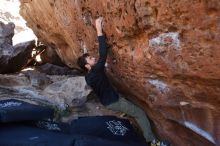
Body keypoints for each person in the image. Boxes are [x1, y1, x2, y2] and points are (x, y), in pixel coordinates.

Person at [77, 17, 155, 143]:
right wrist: (99, 29)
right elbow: (103, 54)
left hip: (108, 101)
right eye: (91, 59)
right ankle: (151, 141)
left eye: (92, 57)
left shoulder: (88, 76)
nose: (94, 59)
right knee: (140, 113)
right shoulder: (96, 70)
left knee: (126, 104)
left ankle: (126, 113)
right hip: (114, 101)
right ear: (87, 66)